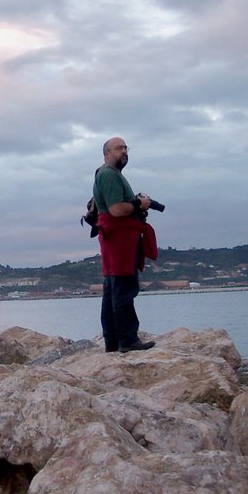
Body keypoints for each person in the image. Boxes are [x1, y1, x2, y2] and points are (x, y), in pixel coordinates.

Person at [92, 137, 158, 353]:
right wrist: (139, 203)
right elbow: (117, 210)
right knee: (123, 289)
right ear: (106, 153)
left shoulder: (109, 174)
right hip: (119, 238)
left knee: (113, 289)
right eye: (118, 148)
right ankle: (128, 340)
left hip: (116, 238)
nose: (124, 151)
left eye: (125, 148)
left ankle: (112, 342)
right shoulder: (109, 174)